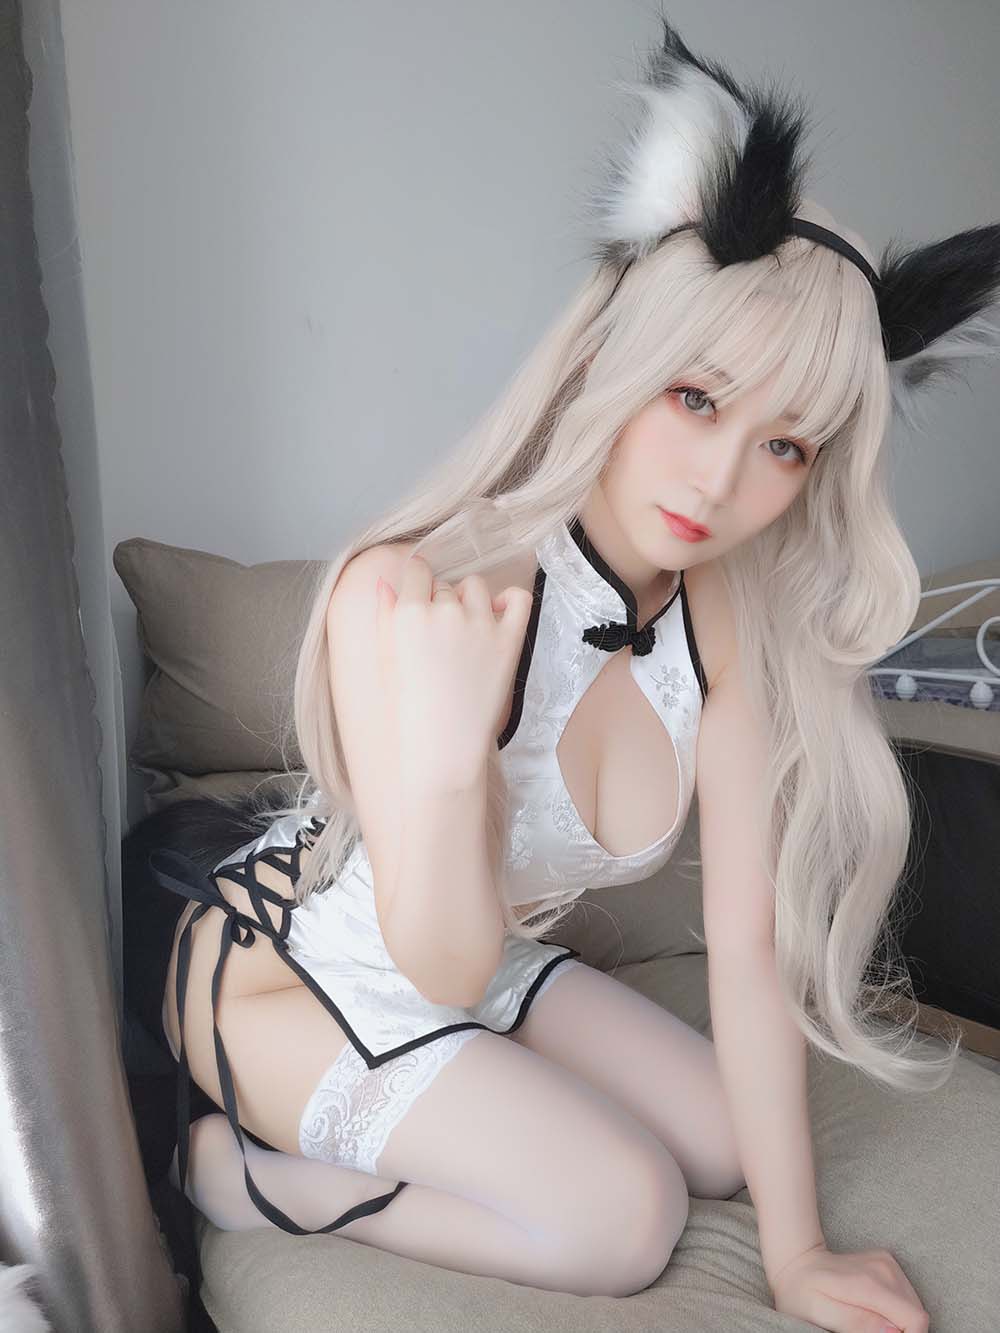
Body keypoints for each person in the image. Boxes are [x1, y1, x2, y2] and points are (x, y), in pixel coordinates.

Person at [126, 14, 999, 1327]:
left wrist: (798, 1251)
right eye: (697, 397)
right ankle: (239, 1178)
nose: (722, 479)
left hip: (483, 968)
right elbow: (429, 962)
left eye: (787, 444)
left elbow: (748, 949)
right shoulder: (417, 591)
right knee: (625, 1215)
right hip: (289, 982)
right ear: (616, 360)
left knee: (723, 1143)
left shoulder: (720, 629)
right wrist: (443, 767)